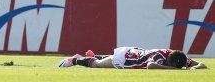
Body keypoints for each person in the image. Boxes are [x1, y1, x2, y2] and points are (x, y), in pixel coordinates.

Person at [58, 47, 207, 70]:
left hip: (132, 52)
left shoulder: (178, 56)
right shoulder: (160, 57)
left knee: (100, 59)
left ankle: (91, 55)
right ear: (170, 62)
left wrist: (194, 66)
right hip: (125, 58)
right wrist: (175, 70)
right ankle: (76, 60)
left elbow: (202, 64)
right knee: (97, 65)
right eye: (172, 65)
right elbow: (151, 66)